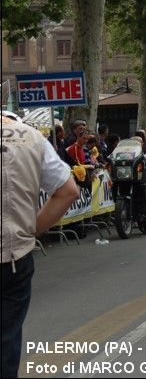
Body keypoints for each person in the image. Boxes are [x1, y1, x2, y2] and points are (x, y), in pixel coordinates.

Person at [1, 115, 80, 379]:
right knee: (6, 343)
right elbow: (68, 191)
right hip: (14, 256)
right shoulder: (31, 138)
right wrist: (29, 230)